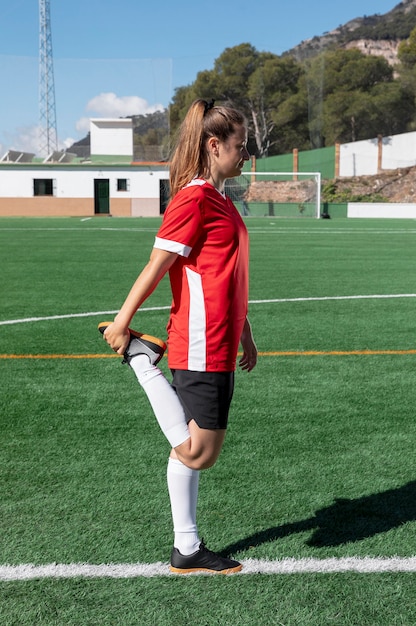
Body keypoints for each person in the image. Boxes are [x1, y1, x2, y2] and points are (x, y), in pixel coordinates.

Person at [99, 98, 257, 575]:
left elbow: (229, 273)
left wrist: (246, 330)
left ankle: (186, 548)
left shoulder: (221, 199)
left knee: (194, 452)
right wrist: (124, 322)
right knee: (198, 452)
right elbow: (158, 264)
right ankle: (143, 361)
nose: (245, 154)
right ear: (214, 144)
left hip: (220, 338)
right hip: (198, 338)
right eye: (239, 145)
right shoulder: (193, 199)